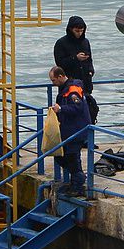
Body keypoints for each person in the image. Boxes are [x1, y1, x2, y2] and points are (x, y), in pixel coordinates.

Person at [49, 66, 92, 197]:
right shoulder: (65, 89)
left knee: (72, 157)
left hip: (77, 129)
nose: (52, 83)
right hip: (68, 129)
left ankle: (77, 185)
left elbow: (77, 108)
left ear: (61, 76)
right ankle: (75, 181)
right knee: (60, 156)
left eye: (54, 80)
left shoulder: (73, 90)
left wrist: (61, 108)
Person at [54, 16, 98, 122]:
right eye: (76, 31)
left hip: (85, 84)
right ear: (70, 29)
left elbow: (90, 60)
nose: (79, 33)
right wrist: (75, 58)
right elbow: (60, 64)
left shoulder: (85, 42)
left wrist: (91, 71)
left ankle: (87, 133)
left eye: (81, 31)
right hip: (69, 86)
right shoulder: (61, 43)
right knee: (70, 113)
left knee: (88, 112)